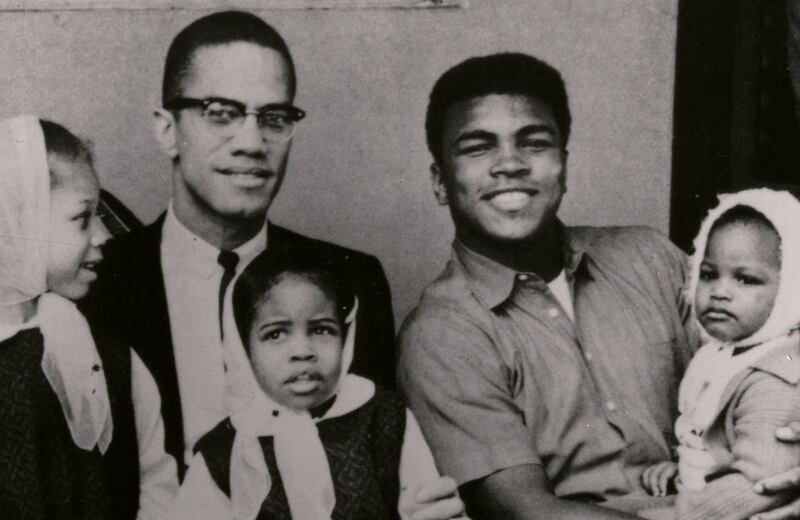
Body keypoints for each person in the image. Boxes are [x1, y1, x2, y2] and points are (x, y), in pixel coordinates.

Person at [81, 10, 395, 480]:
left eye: (273, 117)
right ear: (167, 130)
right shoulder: (94, 284)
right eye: (221, 113)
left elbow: (377, 466)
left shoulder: (352, 278)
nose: (252, 141)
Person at [397, 52, 697, 519]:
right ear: (440, 182)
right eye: (478, 148)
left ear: (564, 165)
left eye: (534, 143)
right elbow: (526, 510)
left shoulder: (651, 257)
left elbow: (758, 378)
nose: (510, 164)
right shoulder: (440, 335)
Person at [168, 246, 464, 519]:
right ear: (243, 349)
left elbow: (428, 506)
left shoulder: (384, 418)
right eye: (276, 334)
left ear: (345, 336)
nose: (302, 351)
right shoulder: (224, 448)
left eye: (321, 330)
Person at [0, 115, 177, 519]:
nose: (104, 235)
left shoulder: (105, 353)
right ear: (16, 223)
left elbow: (156, 481)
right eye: (83, 217)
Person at [638, 189, 800, 519]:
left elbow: (761, 482)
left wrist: (686, 511)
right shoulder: (720, 355)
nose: (720, 291)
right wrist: (682, 469)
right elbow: (719, 444)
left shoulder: (778, 376)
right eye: (709, 274)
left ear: (791, 290)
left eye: (746, 279)